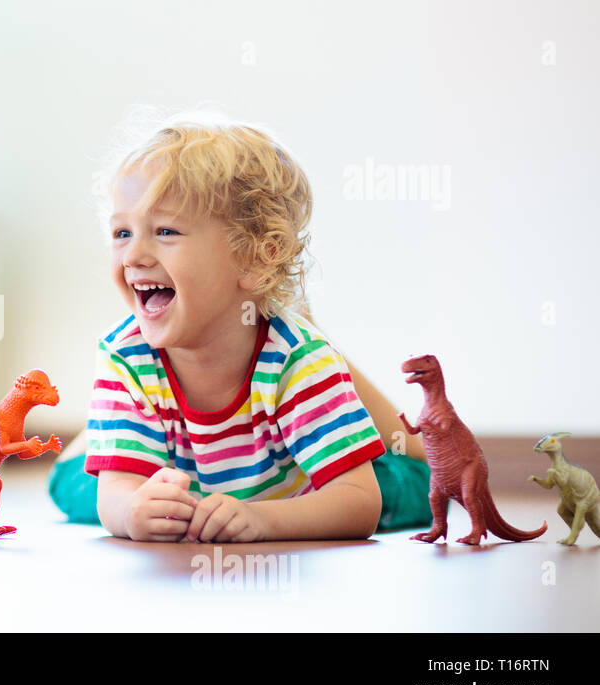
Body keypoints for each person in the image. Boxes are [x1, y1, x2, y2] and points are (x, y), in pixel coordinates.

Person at [47, 111, 432, 541]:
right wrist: (131, 510)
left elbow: (361, 502)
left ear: (253, 259)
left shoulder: (295, 359)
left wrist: (266, 520)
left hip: (291, 481)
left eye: (166, 230)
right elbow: (116, 495)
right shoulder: (124, 355)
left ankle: (310, 341)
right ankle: (108, 439)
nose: (133, 256)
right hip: (182, 470)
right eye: (121, 233)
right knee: (77, 489)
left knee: (412, 489)